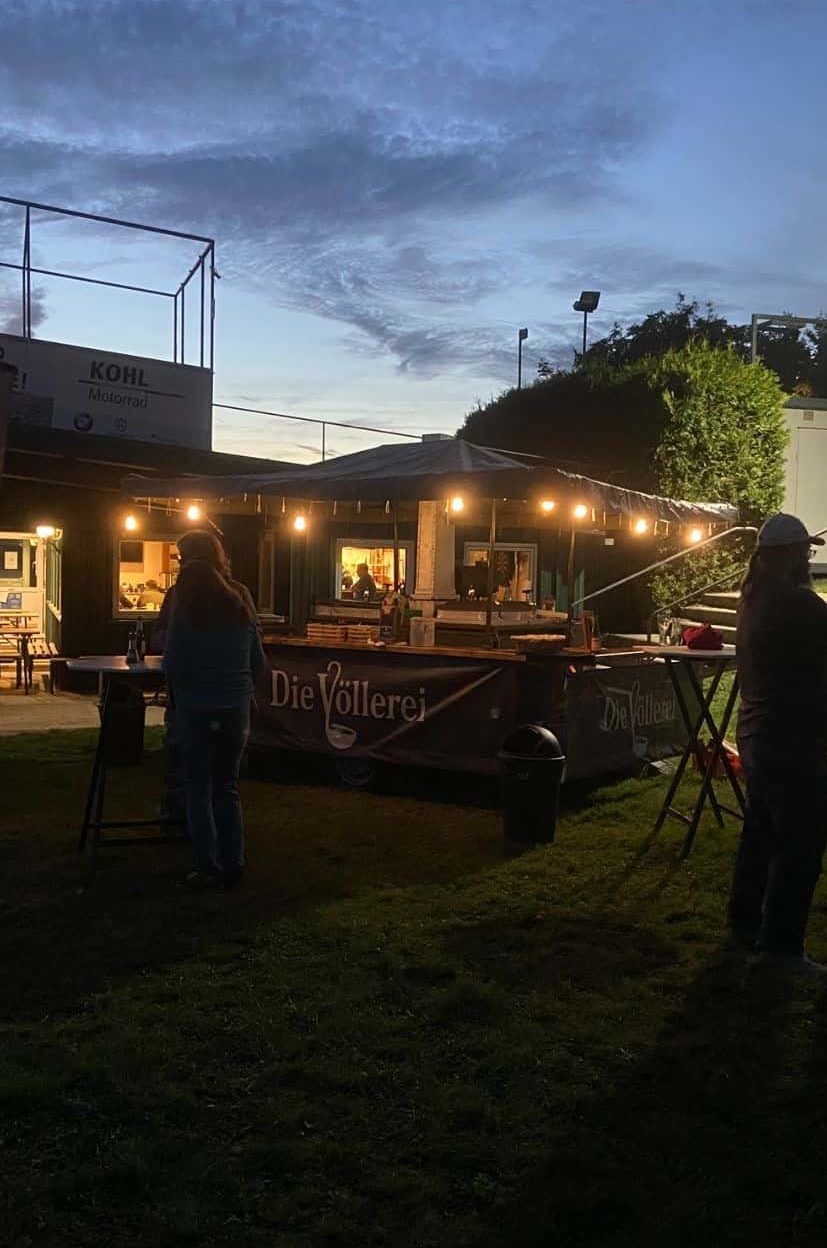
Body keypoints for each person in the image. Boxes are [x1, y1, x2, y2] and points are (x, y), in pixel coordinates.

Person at [728, 513, 827, 974]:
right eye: (804, 552)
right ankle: (782, 948)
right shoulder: (797, 603)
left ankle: (744, 924)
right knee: (801, 842)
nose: (807, 559)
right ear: (791, 555)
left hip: (756, 732)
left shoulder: (752, 599)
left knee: (761, 833)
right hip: (791, 736)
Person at [163, 558, 265, 889]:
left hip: (196, 707)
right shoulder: (242, 617)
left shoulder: (186, 618)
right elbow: (259, 663)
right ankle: (234, 862)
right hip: (235, 709)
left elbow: (171, 663)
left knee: (197, 788)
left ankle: (208, 864)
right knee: (227, 786)